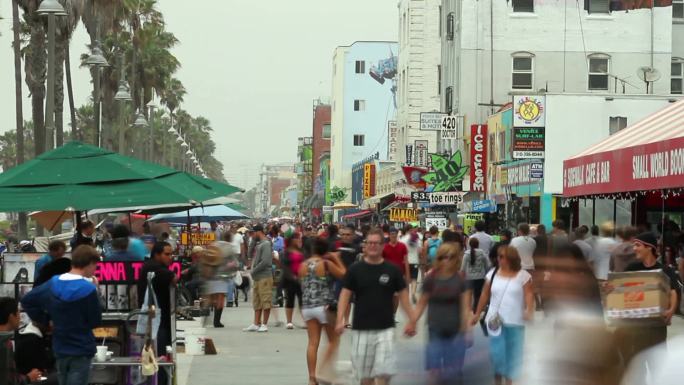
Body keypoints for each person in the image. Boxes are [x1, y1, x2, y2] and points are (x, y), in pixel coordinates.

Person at [335, 229, 416, 385]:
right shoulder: (355, 269)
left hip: (385, 329)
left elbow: (404, 296)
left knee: (384, 374)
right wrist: (340, 320)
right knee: (366, 377)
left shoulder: (392, 270)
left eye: (376, 243)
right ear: (365, 245)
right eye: (369, 243)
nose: (372, 246)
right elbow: (345, 295)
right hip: (361, 330)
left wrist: (411, 320)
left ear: (382, 246)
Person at [21, 245, 102, 385]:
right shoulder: (89, 289)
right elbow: (95, 321)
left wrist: (46, 320)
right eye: (95, 265)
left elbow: (27, 301)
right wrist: (97, 291)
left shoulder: (52, 283)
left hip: (60, 346)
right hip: (81, 347)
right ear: (90, 263)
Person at [616, 232, 679, 381]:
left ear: (649, 248)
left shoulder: (664, 270)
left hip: (656, 328)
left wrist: (671, 310)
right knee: (636, 367)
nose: (634, 248)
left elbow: (673, 291)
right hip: (634, 327)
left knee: (657, 365)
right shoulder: (632, 268)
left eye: (638, 245)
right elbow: (620, 288)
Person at [408, 243, 472, 385]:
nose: (446, 261)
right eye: (442, 257)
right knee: (434, 370)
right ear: (438, 259)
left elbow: (465, 307)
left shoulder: (461, 279)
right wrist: (412, 322)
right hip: (435, 328)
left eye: (450, 257)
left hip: (456, 330)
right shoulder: (431, 279)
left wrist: (467, 330)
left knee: (452, 371)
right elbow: (421, 303)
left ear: (456, 259)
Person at [472, 246, 534, 385]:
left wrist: (529, 309)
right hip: (495, 322)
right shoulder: (492, 274)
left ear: (511, 259)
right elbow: (484, 294)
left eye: (502, 257)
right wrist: (477, 314)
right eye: (498, 256)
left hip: (515, 322)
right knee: (497, 355)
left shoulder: (523, 276)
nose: (498, 259)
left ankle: (509, 382)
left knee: (512, 356)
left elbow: (529, 294)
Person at [300, 238, 346, 385]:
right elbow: (344, 275)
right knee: (333, 341)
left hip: (307, 306)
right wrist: (336, 258)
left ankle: (312, 378)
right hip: (324, 306)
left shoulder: (302, 265)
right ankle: (322, 370)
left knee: (312, 343)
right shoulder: (326, 263)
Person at [138, 241, 177, 376]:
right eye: (167, 254)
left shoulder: (153, 266)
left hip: (160, 319)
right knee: (159, 358)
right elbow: (174, 279)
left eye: (172, 254)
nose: (170, 257)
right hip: (156, 322)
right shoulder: (153, 267)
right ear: (157, 254)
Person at [1, 297, 43, 385]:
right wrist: (29, 377)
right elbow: (8, 380)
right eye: (18, 313)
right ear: (11, 317)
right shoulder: (4, 343)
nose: (20, 317)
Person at [200, 234, 238, 328]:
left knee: (211, 298)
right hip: (222, 276)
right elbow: (234, 263)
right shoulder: (230, 248)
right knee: (220, 299)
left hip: (211, 275)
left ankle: (204, 315)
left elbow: (205, 258)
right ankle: (217, 322)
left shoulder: (214, 245)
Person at [244, 225, 274, 332]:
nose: (252, 235)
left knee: (265, 300)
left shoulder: (265, 244)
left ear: (259, 232)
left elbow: (266, 261)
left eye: (253, 233)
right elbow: (250, 253)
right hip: (257, 277)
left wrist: (254, 270)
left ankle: (264, 324)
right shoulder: (259, 243)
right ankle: (256, 323)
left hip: (264, 276)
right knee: (257, 301)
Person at [15, 320, 57, 385]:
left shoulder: (33, 333)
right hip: (32, 377)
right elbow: (38, 371)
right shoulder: (31, 340)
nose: (53, 325)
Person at [461, 237, 491, 313]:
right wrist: (486, 273)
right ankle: (476, 309)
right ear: (478, 244)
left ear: (469, 244)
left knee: (469, 294)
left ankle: (468, 309)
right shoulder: (482, 253)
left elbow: (463, 268)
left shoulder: (466, 254)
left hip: (469, 278)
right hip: (480, 277)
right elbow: (488, 265)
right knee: (478, 294)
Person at [281, 232, 305, 329]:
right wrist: (292, 276)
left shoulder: (302, 251)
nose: (299, 240)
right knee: (290, 299)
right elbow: (285, 266)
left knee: (302, 301)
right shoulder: (286, 252)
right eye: (296, 238)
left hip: (301, 279)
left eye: (299, 238)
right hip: (290, 279)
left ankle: (305, 321)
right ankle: (289, 321)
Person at [400, 225, 423, 303]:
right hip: (415, 261)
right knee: (414, 279)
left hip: (405, 262)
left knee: (406, 280)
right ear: (411, 230)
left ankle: (407, 296)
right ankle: (413, 293)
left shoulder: (402, 239)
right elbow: (420, 251)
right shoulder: (417, 238)